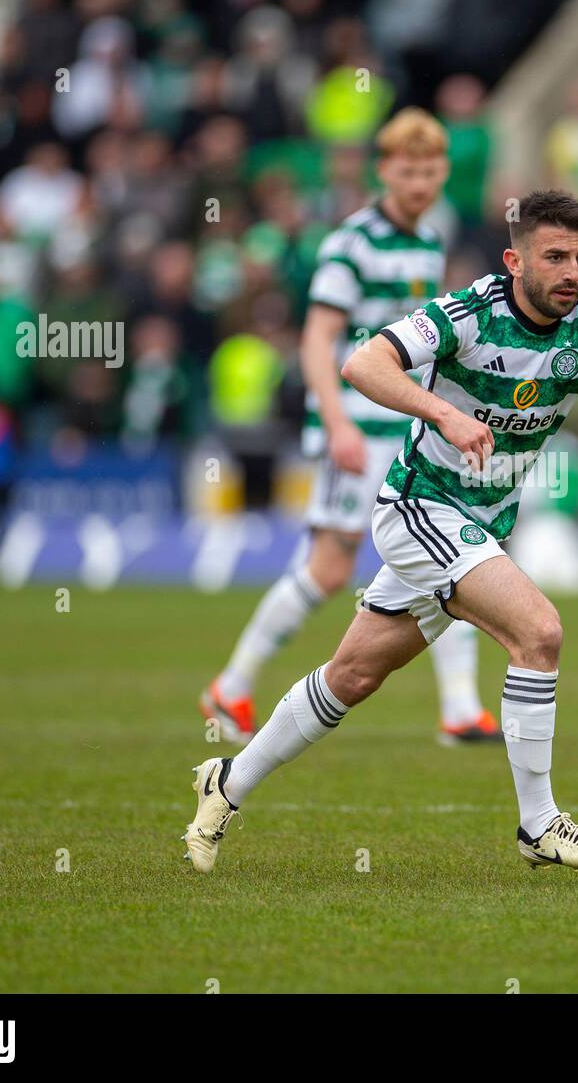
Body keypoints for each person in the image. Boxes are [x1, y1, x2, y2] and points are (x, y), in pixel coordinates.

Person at [182, 190, 578, 873]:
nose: (572, 271)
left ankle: (225, 784)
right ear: (513, 259)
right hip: (419, 506)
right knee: (540, 632)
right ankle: (540, 826)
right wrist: (444, 414)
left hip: (483, 522)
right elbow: (362, 364)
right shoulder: (468, 311)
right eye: (554, 256)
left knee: (352, 675)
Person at [198, 108, 497, 745]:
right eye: (407, 170)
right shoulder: (349, 243)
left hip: (409, 428)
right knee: (330, 570)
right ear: (383, 170)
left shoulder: (430, 237)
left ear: (444, 172)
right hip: (356, 431)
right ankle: (233, 684)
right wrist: (336, 424)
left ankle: (460, 709)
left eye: (431, 170)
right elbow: (317, 341)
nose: (420, 182)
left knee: (455, 550)